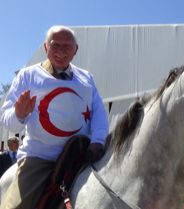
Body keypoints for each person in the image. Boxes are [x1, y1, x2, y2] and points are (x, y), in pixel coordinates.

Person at [0, 25, 109, 209]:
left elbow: (99, 113)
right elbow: (7, 119)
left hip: (80, 155)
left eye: (67, 46)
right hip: (40, 158)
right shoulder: (28, 76)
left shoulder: (87, 79)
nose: (60, 51)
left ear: (76, 50)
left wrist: (98, 141)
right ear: (45, 47)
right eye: (55, 45)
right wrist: (19, 114)